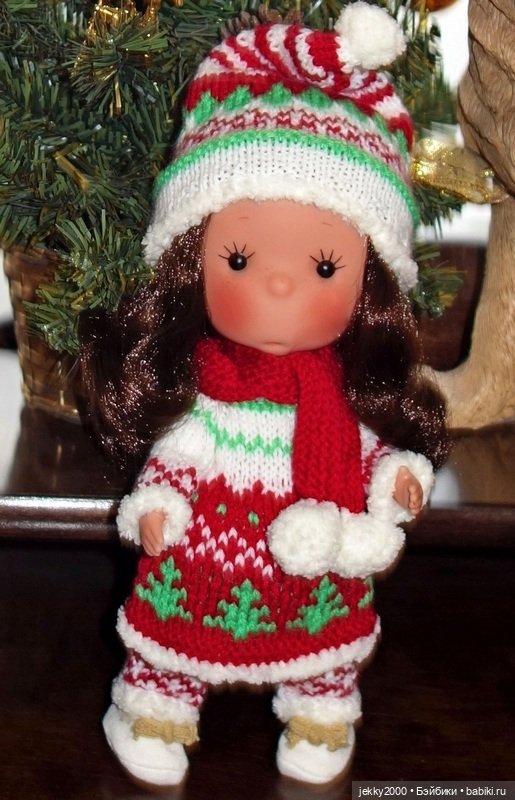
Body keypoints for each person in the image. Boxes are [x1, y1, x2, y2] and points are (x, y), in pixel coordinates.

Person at [80, 2, 448, 789]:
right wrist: (156, 507)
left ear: (368, 287)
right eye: (241, 258)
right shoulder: (209, 396)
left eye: (323, 268)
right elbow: (174, 463)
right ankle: (154, 708)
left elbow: (373, 457)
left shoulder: (344, 399)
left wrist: (396, 479)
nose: (279, 285)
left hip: (315, 576)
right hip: (208, 566)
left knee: (323, 649)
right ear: (194, 262)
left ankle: (319, 711)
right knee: (174, 642)